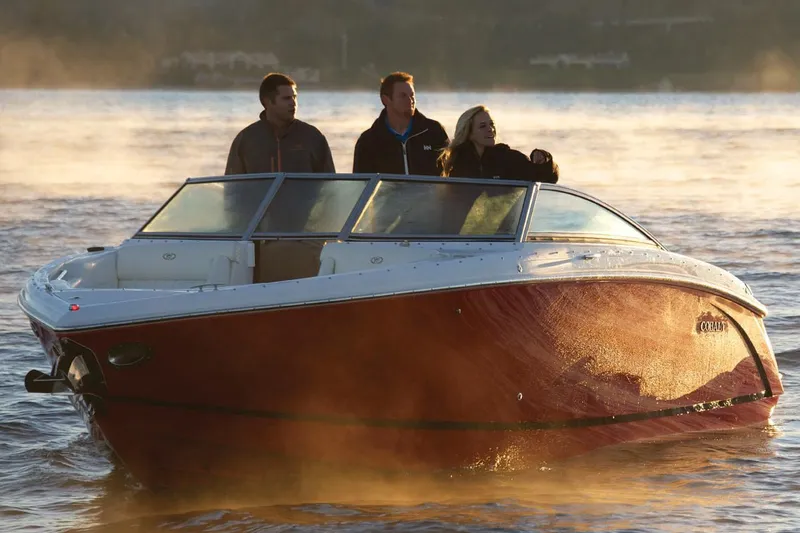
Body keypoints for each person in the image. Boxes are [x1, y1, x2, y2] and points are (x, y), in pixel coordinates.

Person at [225, 72, 335, 175]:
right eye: (286, 98)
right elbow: (232, 188)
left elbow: (330, 186)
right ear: (268, 101)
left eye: (294, 97)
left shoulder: (313, 137)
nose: (293, 103)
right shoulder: (246, 139)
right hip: (261, 197)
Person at [352, 71, 449, 175]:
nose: (410, 100)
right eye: (403, 96)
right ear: (386, 100)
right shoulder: (368, 141)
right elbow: (361, 185)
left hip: (429, 192)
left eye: (412, 95)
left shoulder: (433, 131)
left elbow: (450, 174)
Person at [438, 105, 559, 183]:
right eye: (482, 126)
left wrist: (545, 159)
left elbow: (548, 177)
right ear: (469, 133)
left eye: (491, 124)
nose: (490, 129)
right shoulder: (453, 161)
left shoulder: (507, 158)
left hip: (500, 222)